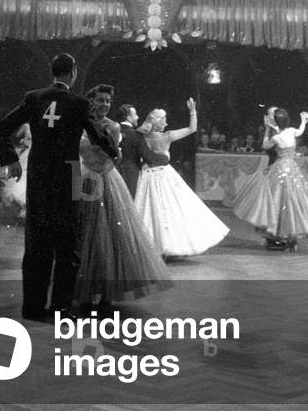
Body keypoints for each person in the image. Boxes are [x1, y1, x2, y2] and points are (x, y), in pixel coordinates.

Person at [0, 53, 118, 322]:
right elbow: (99, 134)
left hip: (38, 174)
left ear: (53, 72)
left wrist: (11, 159)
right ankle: (62, 309)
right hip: (70, 175)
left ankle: (33, 309)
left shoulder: (34, 98)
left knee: (36, 243)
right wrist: (113, 150)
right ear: (73, 72)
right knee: (68, 245)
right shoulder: (79, 103)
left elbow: (1, 129)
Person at [74, 86, 170, 309]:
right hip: (83, 179)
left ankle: (107, 291)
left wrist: (96, 168)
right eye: (100, 100)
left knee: (108, 236)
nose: (105, 104)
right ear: (90, 101)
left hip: (105, 180)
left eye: (108, 101)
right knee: (84, 236)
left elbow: (111, 157)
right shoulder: (79, 124)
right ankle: (83, 290)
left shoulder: (114, 126)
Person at [134, 99, 230, 257]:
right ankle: (166, 246)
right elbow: (193, 128)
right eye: (164, 119)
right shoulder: (167, 136)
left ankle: (153, 245)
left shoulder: (143, 136)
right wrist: (193, 111)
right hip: (163, 174)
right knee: (170, 209)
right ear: (158, 122)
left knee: (151, 209)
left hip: (147, 174)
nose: (166, 122)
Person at [233, 108, 308, 252]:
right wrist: (303, 121)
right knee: (292, 201)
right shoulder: (291, 131)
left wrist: (267, 129)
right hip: (292, 168)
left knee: (277, 201)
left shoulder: (276, 137)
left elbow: (265, 145)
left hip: (279, 168)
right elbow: (301, 131)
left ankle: (279, 235)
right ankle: (288, 237)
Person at [115, 103, 169, 198]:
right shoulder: (136, 135)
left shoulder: (112, 130)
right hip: (130, 175)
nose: (137, 117)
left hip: (113, 173)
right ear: (128, 118)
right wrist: (165, 158)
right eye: (135, 115)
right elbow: (148, 157)